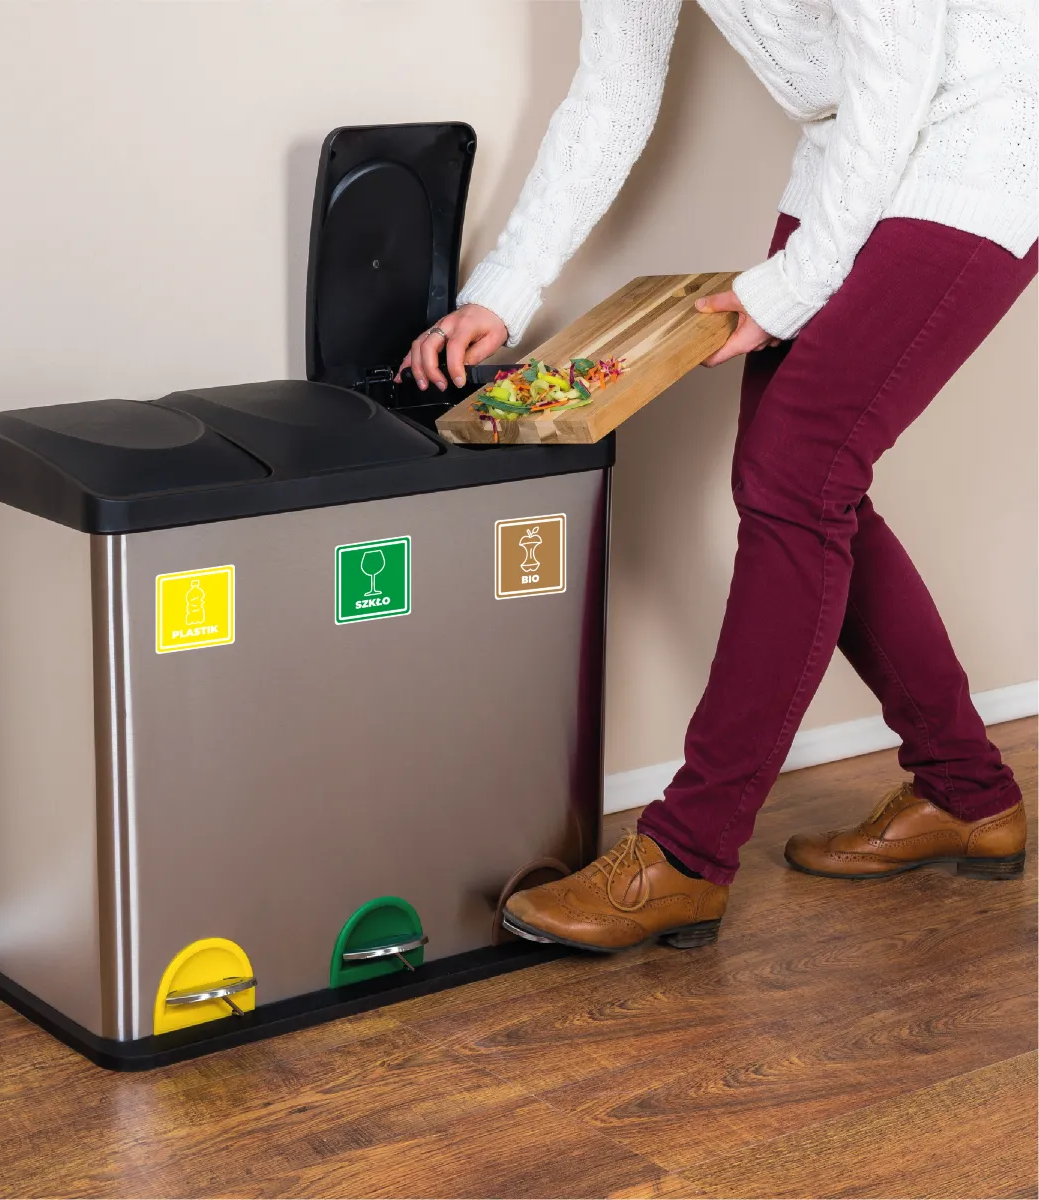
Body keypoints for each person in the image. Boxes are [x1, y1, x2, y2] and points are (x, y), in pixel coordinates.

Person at [400, 0, 1037, 952]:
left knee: (799, 473)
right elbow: (614, 90)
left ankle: (688, 855)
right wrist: (502, 289)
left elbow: (899, 73)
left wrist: (787, 288)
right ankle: (966, 790)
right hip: (851, 149)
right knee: (800, 480)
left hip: (982, 133)